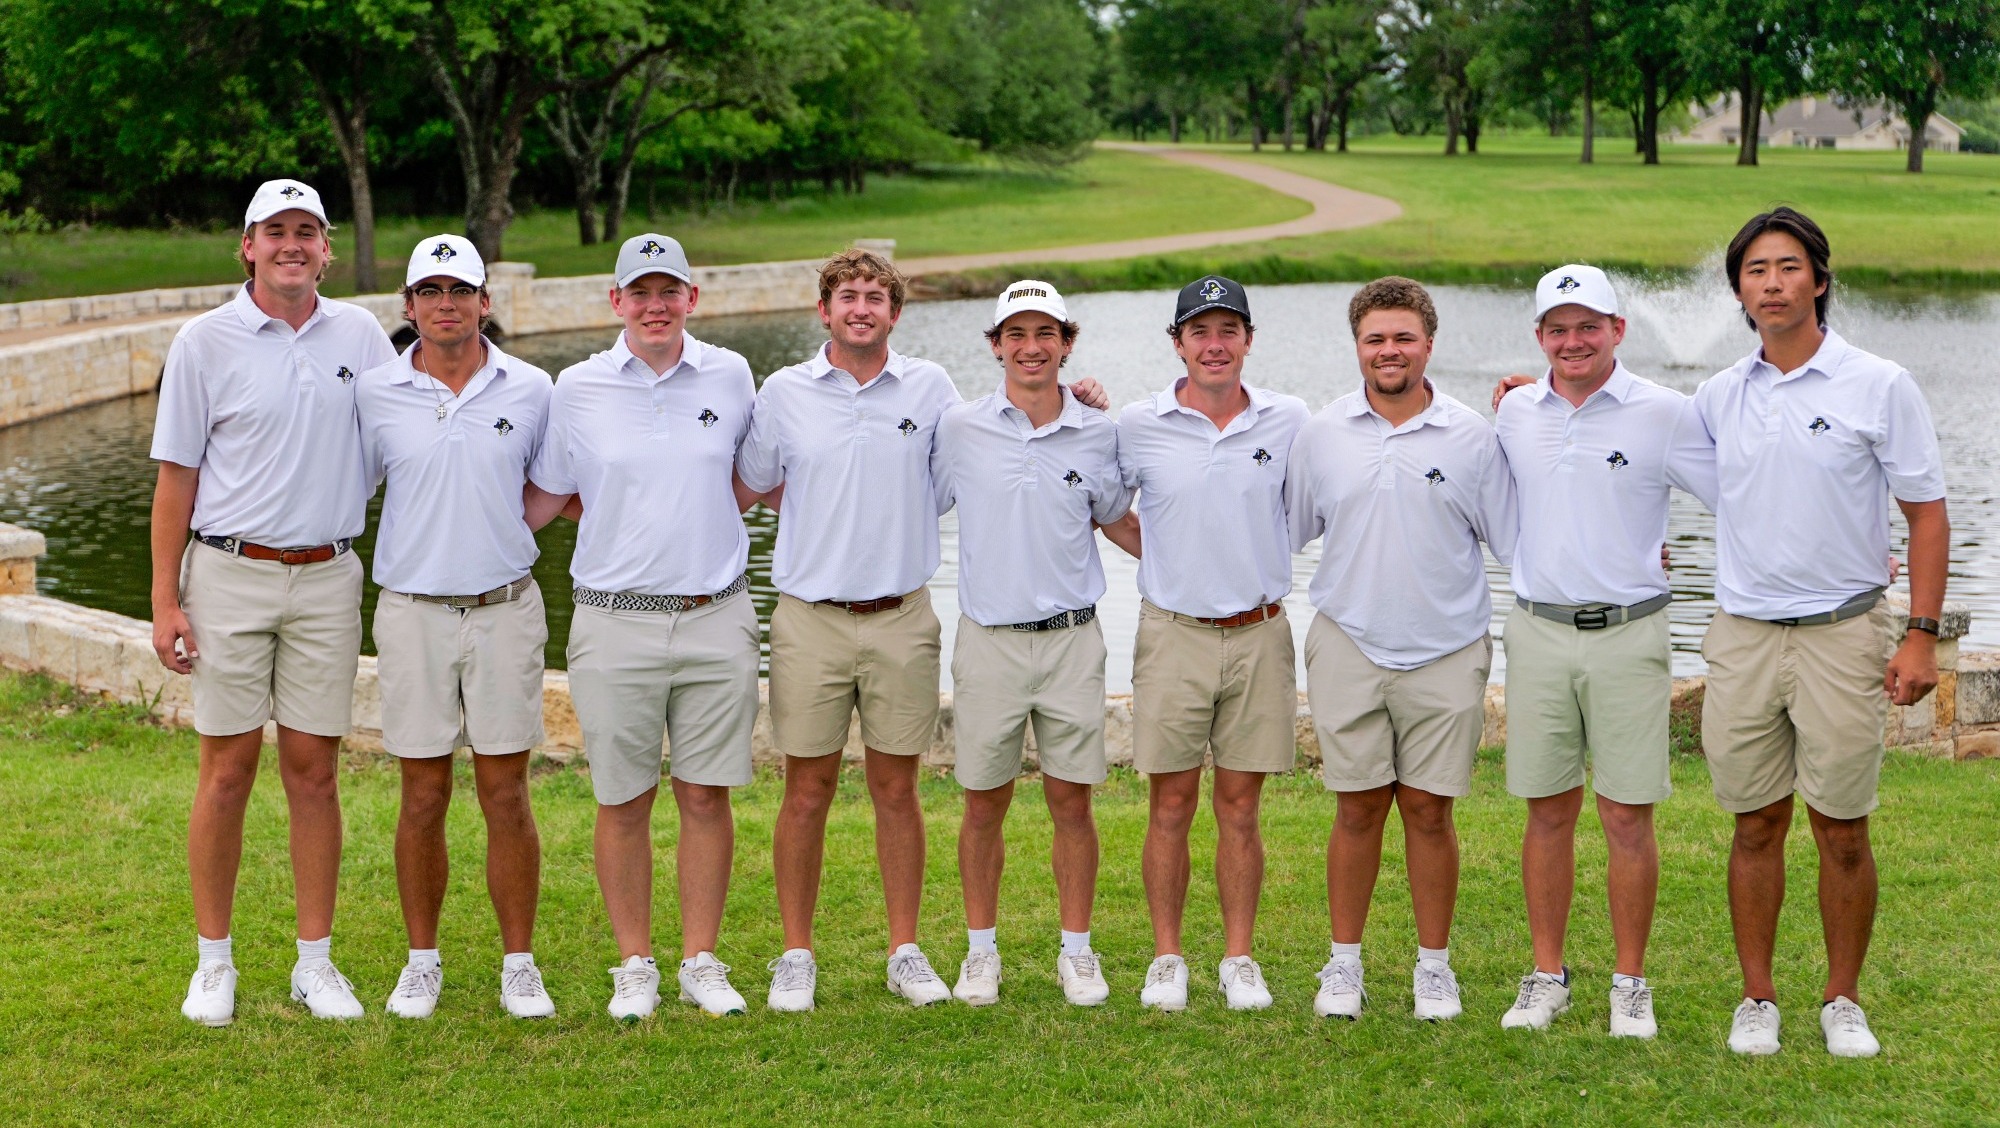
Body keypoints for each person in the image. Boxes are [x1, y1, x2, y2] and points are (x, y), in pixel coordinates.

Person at [739, 249, 1105, 1011]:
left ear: (896, 313)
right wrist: (826, 514)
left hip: (903, 615)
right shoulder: (783, 392)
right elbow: (755, 482)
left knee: (895, 788)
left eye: (877, 296)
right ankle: (795, 954)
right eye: (848, 296)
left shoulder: (933, 389)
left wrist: (1080, 395)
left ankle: (904, 950)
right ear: (825, 310)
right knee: (804, 790)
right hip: (810, 616)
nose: (862, 307)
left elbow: (999, 440)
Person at [1695, 208, 1947, 1058]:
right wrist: (1527, 393)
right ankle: (1757, 999)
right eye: (1755, 270)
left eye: (1788, 266)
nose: (1772, 282)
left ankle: (1843, 1000)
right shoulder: (1718, 395)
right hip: (1743, 634)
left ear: (1821, 279)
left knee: (1841, 825)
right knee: (1755, 822)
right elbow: (1625, 439)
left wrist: (1919, 633)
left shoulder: (1877, 383)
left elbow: (1926, 514)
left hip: (1843, 633)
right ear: (1739, 290)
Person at [151, 179, 396, 1025]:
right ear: (247, 246)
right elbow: (176, 477)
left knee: (314, 772)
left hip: (328, 575)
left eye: (308, 232)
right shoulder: (204, 342)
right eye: (275, 232)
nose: (293, 245)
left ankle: (314, 962)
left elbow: (398, 441)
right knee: (226, 771)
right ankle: (213, 962)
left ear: (327, 249)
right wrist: (164, 599)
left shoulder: (361, 335)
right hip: (227, 575)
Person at [528, 233, 763, 1020]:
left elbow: (752, 477)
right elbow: (551, 492)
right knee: (623, 799)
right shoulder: (577, 387)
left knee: (705, 796)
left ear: (692, 299)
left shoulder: (731, 375)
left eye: (670, 292)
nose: (655, 306)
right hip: (613, 620)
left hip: (715, 615)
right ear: (616, 301)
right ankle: (636, 964)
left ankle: (701, 958)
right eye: (641, 292)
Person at [1491, 264, 1717, 1038]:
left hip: (1630, 632)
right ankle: (1546, 974)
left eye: (1589, 325)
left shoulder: (1665, 413)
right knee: (1547, 810)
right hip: (1538, 630)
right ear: (1540, 337)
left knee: (1626, 815)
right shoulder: (1516, 410)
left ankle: (1630, 983)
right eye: (1558, 328)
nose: (1574, 340)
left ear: (1619, 330)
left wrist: (1856, 546)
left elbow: (1741, 492)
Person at [1285, 276, 1515, 1022]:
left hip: (1447, 646)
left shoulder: (1473, 436)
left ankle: (1433, 968)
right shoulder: (1320, 433)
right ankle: (1343, 965)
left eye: (1403, 337)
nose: (1389, 351)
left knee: (1428, 811)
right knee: (1356, 810)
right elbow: (1285, 531)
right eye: (1375, 339)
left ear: (1429, 344)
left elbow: (1516, 541)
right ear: (1357, 346)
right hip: (1349, 639)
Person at [357, 234, 566, 1020]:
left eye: (461, 290)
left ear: (485, 302)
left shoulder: (533, 388)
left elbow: (556, 486)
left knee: (506, 792)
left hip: (505, 609)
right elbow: (347, 485)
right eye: (430, 291)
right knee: (421, 794)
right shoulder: (375, 392)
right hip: (411, 612)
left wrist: (504, 534)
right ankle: (422, 960)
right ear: (408, 307)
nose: (446, 305)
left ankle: (519, 963)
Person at [930, 280, 1131, 1007]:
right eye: (1015, 334)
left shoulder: (1100, 430)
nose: (1031, 346)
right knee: (983, 802)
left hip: (1073, 640)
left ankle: (1076, 951)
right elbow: (909, 497)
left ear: (1066, 342)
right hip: (989, 641)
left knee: (1071, 802)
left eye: (1045, 332)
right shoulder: (958, 428)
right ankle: (981, 953)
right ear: (995, 347)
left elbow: (1118, 518)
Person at [1111, 276, 1308, 1012]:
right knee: (1169, 803)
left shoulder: (1289, 419)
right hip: (1174, 634)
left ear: (1248, 340)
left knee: (1240, 806)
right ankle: (1167, 957)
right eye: (1200, 331)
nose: (1214, 345)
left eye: (1228, 331)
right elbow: (1108, 508)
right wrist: (1167, 558)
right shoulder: (1138, 422)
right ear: (1178, 343)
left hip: (1259, 633)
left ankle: (1238, 956)